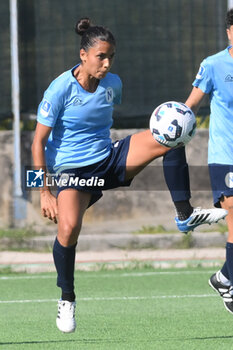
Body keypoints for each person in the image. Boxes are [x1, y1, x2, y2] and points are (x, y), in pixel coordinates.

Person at [31, 17, 178, 333]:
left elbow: (101, 121)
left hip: (109, 159)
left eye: (111, 56)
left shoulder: (113, 83)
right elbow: (37, 142)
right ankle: (67, 297)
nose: (107, 63)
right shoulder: (59, 89)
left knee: (172, 134)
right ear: (83, 55)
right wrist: (43, 191)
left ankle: (185, 213)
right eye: (101, 56)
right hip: (74, 171)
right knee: (69, 229)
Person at [163, 8, 233, 314]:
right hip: (226, 156)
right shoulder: (214, 65)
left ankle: (225, 277)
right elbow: (189, 107)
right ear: (230, 32)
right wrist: (172, 130)